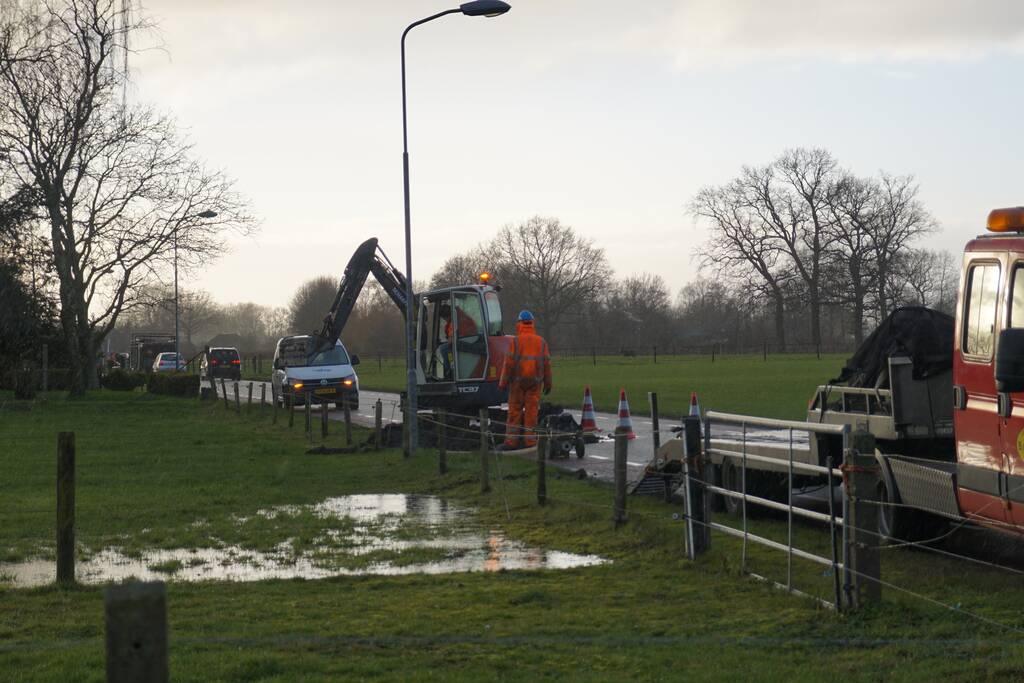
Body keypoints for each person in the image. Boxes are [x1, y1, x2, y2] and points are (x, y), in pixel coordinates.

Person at [498, 310, 552, 450]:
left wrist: (503, 382)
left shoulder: (515, 342)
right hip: (535, 384)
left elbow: (508, 364)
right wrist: (548, 383)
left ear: (519, 323)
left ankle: (511, 442)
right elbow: (547, 364)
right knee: (531, 414)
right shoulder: (541, 342)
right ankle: (530, 442)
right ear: (532, 323)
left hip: (517, 384)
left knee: (514, 413)